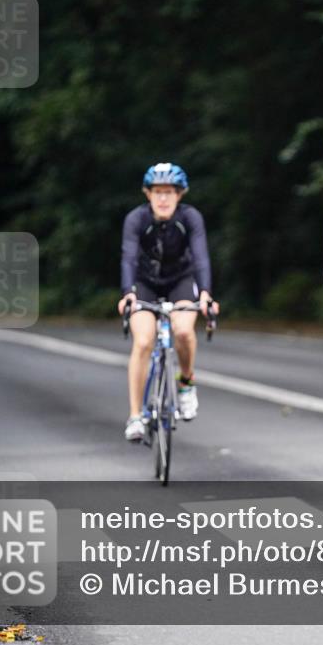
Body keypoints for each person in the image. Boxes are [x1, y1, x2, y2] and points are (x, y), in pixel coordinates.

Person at [117, 163, 218, 442]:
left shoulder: (190, 217)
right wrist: (128, 293)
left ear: (180, 194)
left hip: (180, 280)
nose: (163, 198)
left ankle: (185, 383)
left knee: (184, 330)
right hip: (144, 283)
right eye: (157, 192)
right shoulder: (136, 219)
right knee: (143, 341)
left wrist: (206, 293)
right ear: (147, 194)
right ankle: (135, 416)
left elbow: (201, 257)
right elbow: (128, 257)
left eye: (169, 192)